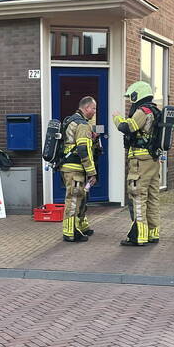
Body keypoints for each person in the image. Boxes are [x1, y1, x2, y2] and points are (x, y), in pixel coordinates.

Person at [113, 81, 160, 246]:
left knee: (138, 196)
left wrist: (116, 118)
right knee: (152, 197)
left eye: (131, 97)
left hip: (140, 161)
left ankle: (139, 235)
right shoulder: (155, 110)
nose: (131, 101)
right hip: (153, 160)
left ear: (138, 94)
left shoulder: (143, 111)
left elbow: (127, 127)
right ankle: (152, 233)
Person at [59, 96, 98, 242]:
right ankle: (70, 232)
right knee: (73, 199)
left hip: (69, 168)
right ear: (86, 108)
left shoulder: (71, 121)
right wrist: (91, 172)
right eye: (93, 108)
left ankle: (81, 226)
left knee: (80, 196)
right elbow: (83, 149)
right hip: (75, 169)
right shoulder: (82, 125)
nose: (94, 112)